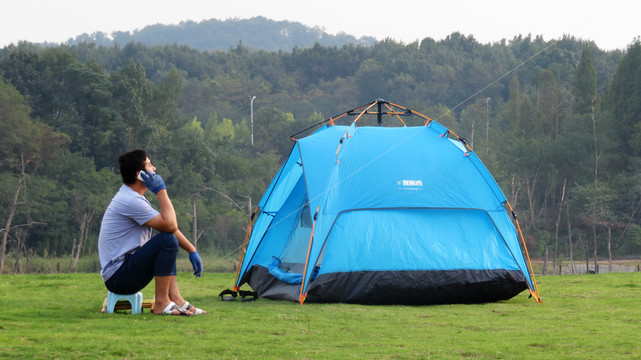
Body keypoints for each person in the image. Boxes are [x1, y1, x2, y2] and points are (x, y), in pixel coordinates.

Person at [98, 149, 206, 315]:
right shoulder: (131, 201)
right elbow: (170, 226)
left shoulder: (133, 198)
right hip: (119, 277)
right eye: (149, 165)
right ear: (139, 175)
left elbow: (167, 226)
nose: (154, 168)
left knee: (167, 239)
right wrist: (161, 190)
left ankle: (175, 298)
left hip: (121, 273)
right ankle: (162, 302)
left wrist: (192, 250)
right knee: (166, 241)